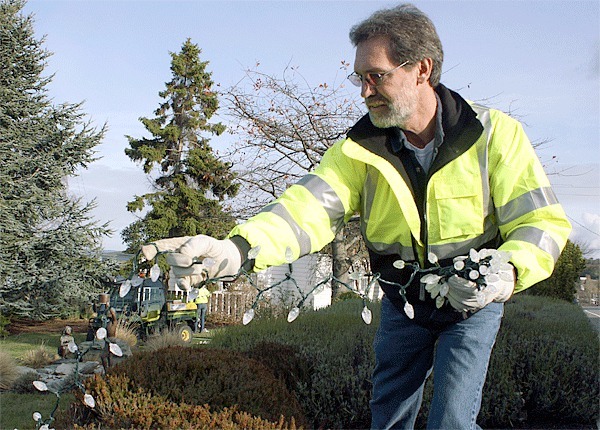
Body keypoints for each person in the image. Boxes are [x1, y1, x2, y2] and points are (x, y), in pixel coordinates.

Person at [141, 4, 571, 429]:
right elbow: (306, 209)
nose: (364, 91)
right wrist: (237, 249)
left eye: (376, 76)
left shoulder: (495, 134)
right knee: (387, 418)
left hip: (474, 303)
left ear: (422, 69)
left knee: (453, 421)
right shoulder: (359, 149)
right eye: (360, 78)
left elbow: (541, 222)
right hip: (404, 304)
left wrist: (508, 270)